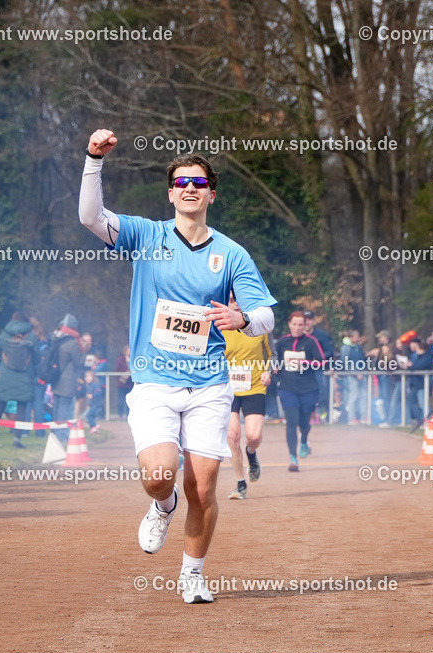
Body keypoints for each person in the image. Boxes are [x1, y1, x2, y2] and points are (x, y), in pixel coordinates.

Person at [79, 129, 276, 603]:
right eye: (182, 182)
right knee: (160, 476)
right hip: (155, 381)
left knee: (203, 490)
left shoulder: (231, 253)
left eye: (200, 183)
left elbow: (266, 315)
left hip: (209, 384)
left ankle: (192, 574)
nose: (190, 188)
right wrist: (93, 160)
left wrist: (243, 318)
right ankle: (162, 505)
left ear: (211, 194)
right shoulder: (147, 236)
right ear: (171, 193)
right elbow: (90, 217)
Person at [223, 295, 271, 499]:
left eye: (238, 299)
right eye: (231, 299)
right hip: (228, 388)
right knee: (232, 435)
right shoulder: (220, 327)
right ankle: (240, 483)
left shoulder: (259, 325)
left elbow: (272, 354)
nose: (235, 303)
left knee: (253, 436)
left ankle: (251, 453)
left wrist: (268, 370)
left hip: (255, 386)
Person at [273, 311, 325, 472]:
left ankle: (304, 441)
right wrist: (274, 367)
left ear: (305, 325)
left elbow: (322, 362)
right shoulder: (282, 342)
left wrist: (305, 363)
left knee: (304, 423)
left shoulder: (311, 342)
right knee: (292, 422)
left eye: (300, 325)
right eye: (294, 324)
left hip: (308, 389)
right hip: (287, 388)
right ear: (289, 324)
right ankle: (293, 458)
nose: (297, 327)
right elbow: (272, 359)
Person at [0, 317, 36, 448]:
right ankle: (17, 439)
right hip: (25, 377)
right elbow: (37, 357)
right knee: (22, 408)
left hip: (6, 376)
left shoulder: (3, 335)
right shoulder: (31, 336)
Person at [50, 314, 84, 444]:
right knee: (64, 410)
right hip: (67, 381)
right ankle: (62, 436)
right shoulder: (72, 343)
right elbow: (79, 362)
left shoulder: (57, 339)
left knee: (56, 408)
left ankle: (54, 434)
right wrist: (84, 350)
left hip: (56, 379)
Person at [303, 311, 333, 421]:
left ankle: (321, 415)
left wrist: (319, 358)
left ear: (313, 321)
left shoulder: (321, 335)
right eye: (305, 319)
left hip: (318, 369)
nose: (307, 322)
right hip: (301, 370)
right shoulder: (298, 335)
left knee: (321, 392)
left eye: (310, 319)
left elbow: (329, 352)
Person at [340, 329, 366, 424]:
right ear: (351, 337)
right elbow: (345, 363)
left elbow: (361, 359)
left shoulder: (358, 346)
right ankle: (351, 417)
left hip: (361, 374)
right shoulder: (346, 348)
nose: (358, 338)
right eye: (356, 336)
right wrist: (355, 373)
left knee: (363, 395)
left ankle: (363, 417)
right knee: (353, 396)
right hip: (352, 376)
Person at [82, 368, 104, 433]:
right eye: (86, 377)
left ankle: (95, 426)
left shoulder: (94, 384)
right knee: (91, 416)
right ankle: (94, 430)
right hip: (92, 404)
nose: (87, 378)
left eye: (89, 376)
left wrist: (93, 395)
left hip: (96, 404)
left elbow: (99, 392)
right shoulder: (88, 385)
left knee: (88, 415)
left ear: (92, 377)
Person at [114, 345, 133, 418]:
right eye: (128, 350)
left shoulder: (134, 359)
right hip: (122, 383)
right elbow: (117, 369)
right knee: (121, 399)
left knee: (130, 400)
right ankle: (120, 414)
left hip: (130, 383)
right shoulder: (121, 359)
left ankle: (129, 414)